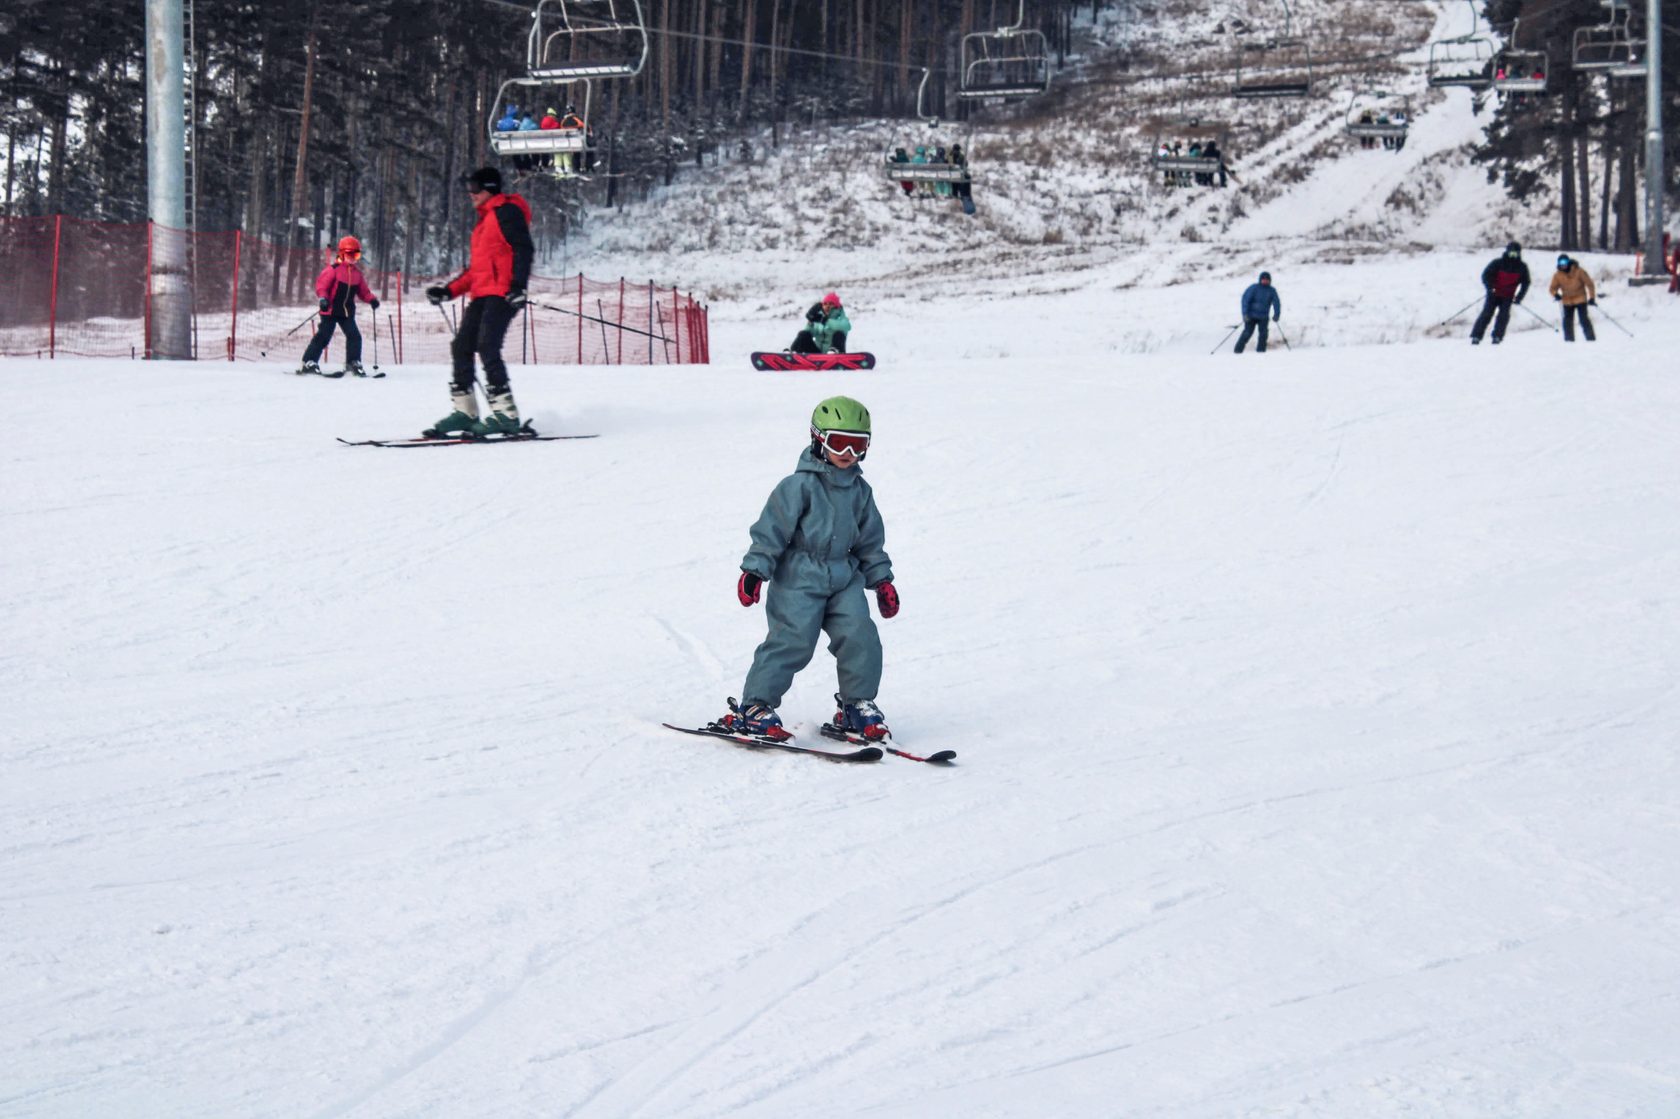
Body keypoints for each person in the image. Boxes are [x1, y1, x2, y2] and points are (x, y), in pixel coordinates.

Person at [719, 395, 898, 743]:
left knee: (861, 636)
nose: (848, 454)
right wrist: (755, 571)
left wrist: (882, 580)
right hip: (798, 577)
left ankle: (857, 705)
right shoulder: (797, 487)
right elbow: (771, 531)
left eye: (857, 446)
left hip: (844, 577)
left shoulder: (861, 492)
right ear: (819, 440)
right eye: (840, 443)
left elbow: (870, 542)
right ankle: (754, 707)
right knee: (793, 640)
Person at [422, 166, 534, 436]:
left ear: (489, 188)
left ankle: (506, 415)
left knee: (487, 346)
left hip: (503, 293)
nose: (470, 194)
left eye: (474, 188)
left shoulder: (506, 212)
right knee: (461, 346)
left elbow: (524, 248)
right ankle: (465, 411)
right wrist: (448, 291)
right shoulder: (484, 221)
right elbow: (476, 271)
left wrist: (518, 286)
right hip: (483, 294)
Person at [298, 235, 380, 377]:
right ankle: (309, 362)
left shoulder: (357, 274)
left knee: (354, 336)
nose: (353, 258)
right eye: (350, 254)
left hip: (346, 312)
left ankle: (353, 362)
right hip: (330, 310)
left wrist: (371, 299)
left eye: (356, 254)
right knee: (324, 335)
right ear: (342, 253)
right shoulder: (333, 270)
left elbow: (364, 292)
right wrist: (323, 299)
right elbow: (321, 286)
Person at [1470, 240, 1531, 345]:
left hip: (1508, 296)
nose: (1513, 256)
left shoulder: (1522, 267)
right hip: (1493, 294)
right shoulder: (1497, 263)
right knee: (1487, 314)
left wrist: (1519, 297)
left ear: (1519, 254)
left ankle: (1497, 336)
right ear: (1507, 252)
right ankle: (1476, 336)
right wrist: (1490, 287)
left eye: (1515, 254)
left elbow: (1526, 282)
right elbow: (1486, 275)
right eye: (1511, 253)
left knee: (1503, 317)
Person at [1548, 254, 1597, 341]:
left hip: (1580, 299)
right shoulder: (1557, 275)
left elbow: (1589, 284)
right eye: (1560, 263)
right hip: (1567, 301)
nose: (1563, 265)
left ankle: (1591, 339)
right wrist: (1555, 294)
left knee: (1583, 320)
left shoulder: (1579, 271)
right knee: (1567, 322)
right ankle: (1569, 341)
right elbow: (1552, 288)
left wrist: (1592, 297)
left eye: (1565, 262)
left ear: (1568, 262)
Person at [1234, 271, 1281, 353]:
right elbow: (1245, 301)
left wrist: (1276, 314)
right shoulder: (1254, 288)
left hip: (1263, 317)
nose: (1265, 281)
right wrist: (1245, 314)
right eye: (1263, 279)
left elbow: (1276, 303)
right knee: (1247, 333)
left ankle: (1261, 352)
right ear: (1260, 279)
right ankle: (1237, 351)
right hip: (1251, 316)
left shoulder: (1271, 290)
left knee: (1263, 334)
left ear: (1270, 280)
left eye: (1267, 279)